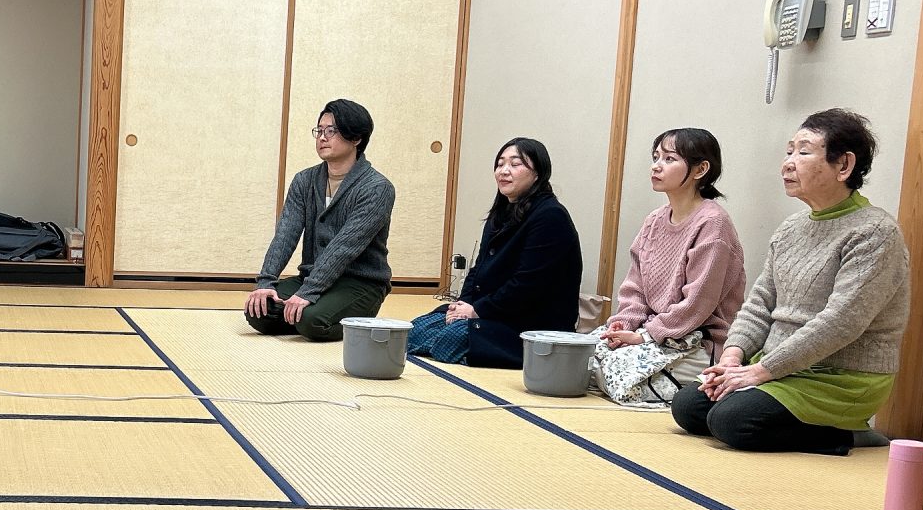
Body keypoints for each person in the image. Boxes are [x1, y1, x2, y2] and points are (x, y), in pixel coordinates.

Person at [672, 108, 909, 455]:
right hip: (779, 365)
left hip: (838, 376)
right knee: (688, 407)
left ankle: (848, 435)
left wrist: (760, 372)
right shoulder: (791, 228)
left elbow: (841, 323)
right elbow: (759, 303)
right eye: (789, 151)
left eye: (803, 152)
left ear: (844, 165)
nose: (787, 164)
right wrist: (732, 358)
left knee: (731, 421)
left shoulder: (875, 232)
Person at [589, 128, 748, 407]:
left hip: (696, 339)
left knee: (624, 382)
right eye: (656, 157)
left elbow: (697, 304)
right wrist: (625, 322)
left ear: (700, 169)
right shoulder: (654, 220)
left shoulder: (713, 223)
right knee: (585, 355)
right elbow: (635, 286)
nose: (656, 166)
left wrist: (644, 336)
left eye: (669, 159)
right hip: (651, 332)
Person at [409, 137, 582, 367]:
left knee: (451, 338)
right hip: (491, 313)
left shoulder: (550, 216)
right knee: (415, 329)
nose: (504, 171)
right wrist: (462, 305)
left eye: (515, 164)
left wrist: (477, 310)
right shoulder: (501, 213)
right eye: (500, 164)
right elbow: (477, 269)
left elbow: (527, 285)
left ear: (538, 173)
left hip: (528, 323)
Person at [245, 98, 396, 343]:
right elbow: (285, 234)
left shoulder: (377, 188)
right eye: (319, 130)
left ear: (356, 138)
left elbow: (344, 247)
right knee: (259, 311)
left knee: (311, 321)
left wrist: (308, 292)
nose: (322, 137)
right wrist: (266, 282)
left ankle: (350, 319)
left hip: (359, 283)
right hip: (311, 276)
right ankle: (312, 312)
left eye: (332, 131)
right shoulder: (304, 180)